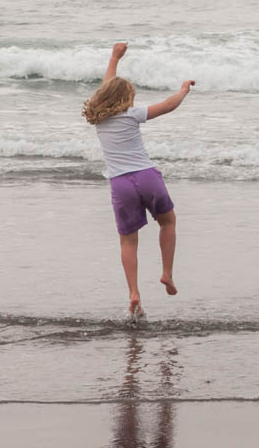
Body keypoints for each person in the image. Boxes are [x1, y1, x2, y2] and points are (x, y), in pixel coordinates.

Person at [83, 43, 194, 317]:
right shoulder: (132, 115)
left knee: (128, 241)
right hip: (146, 177)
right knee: (168, 222)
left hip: (120, 184)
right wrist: (183, 90)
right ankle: (167, 273)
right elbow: (167, 106)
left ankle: (134, 293)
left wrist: (114, 57)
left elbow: (106, 85)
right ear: (126, 98)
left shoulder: (99, 119)